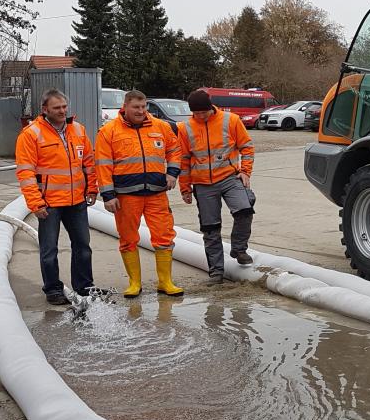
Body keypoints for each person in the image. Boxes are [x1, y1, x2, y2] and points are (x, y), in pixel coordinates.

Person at [96, 90, 183, 298]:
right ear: (125, 107)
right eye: (136, 107)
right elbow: (102, 164)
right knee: (128, 239)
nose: (141, 111)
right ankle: (135, 283)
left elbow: (175, 150)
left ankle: (165, 282)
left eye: (144, 107)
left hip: (156, 193)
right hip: (126, 196)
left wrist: (172, 173)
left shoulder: (161, 127)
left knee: (164, 237)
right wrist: (108, 195)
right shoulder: (109, 131)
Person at [15, 89, 98, 305]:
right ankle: (53, 289)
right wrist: (35, 202)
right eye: (56, 108)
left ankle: (84, 286)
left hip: (76, 201)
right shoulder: (31, 134)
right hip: (49, 203)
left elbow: (88, 162)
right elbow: (25, 172)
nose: (62, 111)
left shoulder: (78, 130)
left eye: (64, 107)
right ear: (45, 110)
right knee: (49, 249)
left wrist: (92, 189)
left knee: (83, 246)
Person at [178, 89, 257, 284]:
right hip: (203, 184)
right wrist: (185, 188)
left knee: (245, 210)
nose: (201, 116)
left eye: (203, 112)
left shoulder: (230, 120)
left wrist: (245, 171)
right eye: (196, 114)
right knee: (210, 228)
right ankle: (216, 271)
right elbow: (184, 160)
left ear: (211, 107)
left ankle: (239, 248)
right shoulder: (186, 128)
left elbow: (247, 147)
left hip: (230, 177)